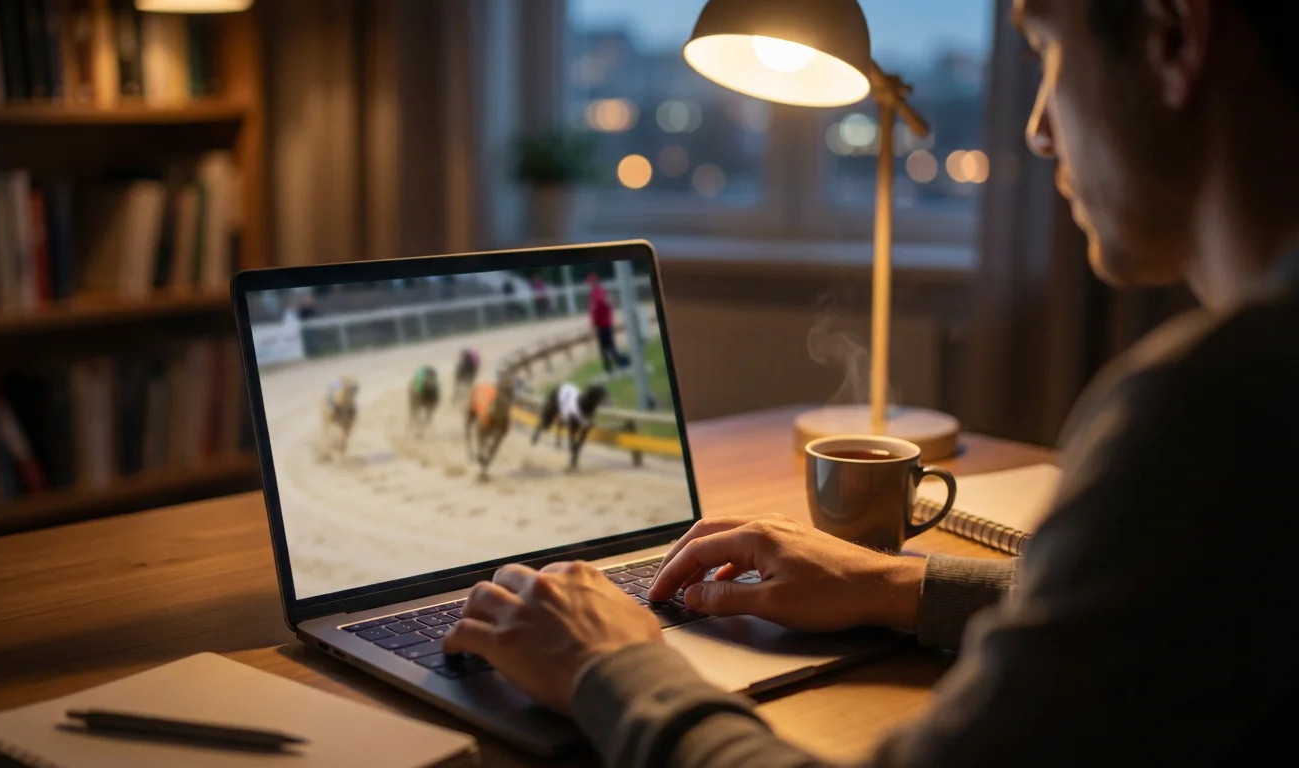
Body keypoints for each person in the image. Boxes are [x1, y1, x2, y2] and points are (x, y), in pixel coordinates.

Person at [444, 1, 1299, 765]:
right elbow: (1170, 626)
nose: (1039, 129)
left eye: (1047, 54)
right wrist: (895, 585)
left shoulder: (1214, 415)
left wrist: (613, 670)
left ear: (1172, 35)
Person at [587, 273, 628, 374]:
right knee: (608, 346)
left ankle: (613, 365)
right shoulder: (597, 292)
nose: (590, 284)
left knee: (607, 346)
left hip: (603, 324)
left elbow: (599, 307)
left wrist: (594, 321)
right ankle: (613, 364)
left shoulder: (598, 292)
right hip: (603, 323)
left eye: (591, 282)